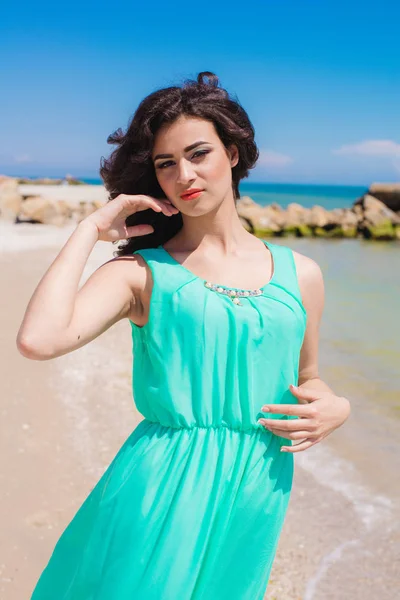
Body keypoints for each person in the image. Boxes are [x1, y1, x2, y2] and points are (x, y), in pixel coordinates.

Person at [17, 71, 351, 599]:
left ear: (234, 152)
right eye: (165, 163)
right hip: (161, 484)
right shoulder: (142, 273)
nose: (183, 175)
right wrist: (88, 231)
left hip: (257, 491)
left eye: (199, 154)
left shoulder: (302, 274)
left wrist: (338, 408)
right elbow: (39, 339)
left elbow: (309, 379)